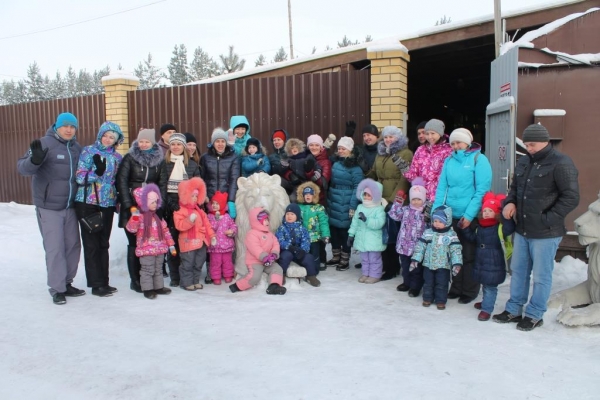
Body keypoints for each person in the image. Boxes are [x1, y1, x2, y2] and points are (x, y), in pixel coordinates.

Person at [494, 123, 580, 331]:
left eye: (532, 145)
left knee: (541, 275)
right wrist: (510, 202)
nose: (529, 149)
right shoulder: (524, 162)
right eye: (526, 145)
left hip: (546, 232)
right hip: (522, 229)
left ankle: (534, 314)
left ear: (545, 141)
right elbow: (514, 189)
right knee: (519, 271)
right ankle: (514, 309)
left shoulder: (561, 163)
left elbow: (571, 197)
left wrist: (548, 219)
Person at [17, 112, 84, 305]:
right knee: (55, 248)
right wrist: (35, 160)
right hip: (49, 207)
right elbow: (22, 168)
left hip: (70, 206)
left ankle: (67, 282)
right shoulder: (43, 144)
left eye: (72, 126)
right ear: (57, 126)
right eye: (65, 126)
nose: (69, 129)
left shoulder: (76, 148)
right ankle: (57, 288)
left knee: (72, 246)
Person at [433, 128, 492, 305]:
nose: (456, 146)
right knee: (453, 254)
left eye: (459, 142)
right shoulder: (448, 161)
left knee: (469, 255)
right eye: (452, 143)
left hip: (469, 217)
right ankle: (456, 287)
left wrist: (469, 215)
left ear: (467, 142)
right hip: (450, 216)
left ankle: (469, 290)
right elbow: (442, 187)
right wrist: (438, 212)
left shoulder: (479, 160)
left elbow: (482, 189)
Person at [74, 121, 123, 297]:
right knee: (92, 243)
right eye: (106, 135)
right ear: (100, 134)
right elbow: (80, 177)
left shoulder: (117, 158)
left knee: (104, 243)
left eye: (113, 137)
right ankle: (96, 284)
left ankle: (104, 282)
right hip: (88, 202)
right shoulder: (88, 151)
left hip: (108, 203)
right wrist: (97, 173)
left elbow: (117, 181)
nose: (108, 140)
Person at [116, 128, 165, 293]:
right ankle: (135, 280)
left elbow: (162, 183)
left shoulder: (159, 160)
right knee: (134, 244)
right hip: (133, 208)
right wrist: (129, 205)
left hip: (151, 209)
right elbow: (121, 182)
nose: (143, 144)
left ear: (152, 143)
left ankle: (152, 282)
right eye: (141, 141)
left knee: (151, 244)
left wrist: (158, 205)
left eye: (147, 141)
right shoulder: (129, 158)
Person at [367, 125, 413, 280]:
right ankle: (386, 265)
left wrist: (392, 201)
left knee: (393, 234)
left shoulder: (405, 153)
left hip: (395, 199)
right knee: (382, 233)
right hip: (379, 198)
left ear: (398, 138)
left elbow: (405, 177)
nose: (388, 140)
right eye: (386, 137)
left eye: (391, 137)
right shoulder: (380, 153)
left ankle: (393, 267)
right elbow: (374, 172)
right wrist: (367, 183)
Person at [462, 192, 516, 321]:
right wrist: (465, 228)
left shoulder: (499, 227)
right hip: (481, 260)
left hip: (494, 261)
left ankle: (487, 309)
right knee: (484, 283)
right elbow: (473, 238)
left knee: (490, 286)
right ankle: (486, 301)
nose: (486, 213)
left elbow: (509, 229)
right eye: (484, 210)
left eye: (490, 211)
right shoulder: (480, 227)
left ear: (496, 213)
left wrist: (506, 216)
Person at [159, 133, 201, 287]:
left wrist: (193, 204)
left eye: (179, 144)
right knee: (173, 243)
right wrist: (169, 204)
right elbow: (162, 185)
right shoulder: (164, 163)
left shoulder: (192, 165)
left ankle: (187, 275)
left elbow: (197, 187)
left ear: (184, 147)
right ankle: (175, 276)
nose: (176, 147)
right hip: (171, 209)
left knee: (187, 243)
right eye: (173, 144)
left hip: (188, 210)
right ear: (169, 146)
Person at [126, 184, 174, 300]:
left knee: (158, 269)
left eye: (156, 202)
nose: (155, 204)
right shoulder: (140, 217)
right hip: (146, 249)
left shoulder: (158, 218)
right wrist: (135, 217)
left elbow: (166, 231)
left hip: (159, 249)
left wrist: (171, 244)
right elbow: (131, 228)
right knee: (147, 269)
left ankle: (158, 287)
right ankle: (147, 289)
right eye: (152, 202)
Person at [411, 205, 463, 310]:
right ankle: (427, 298)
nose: (437, 224)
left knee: (442, 283)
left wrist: (457, 263)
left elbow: (455, 250)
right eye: (435, 221)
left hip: (443, 265)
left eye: (440, 221)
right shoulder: (428, 233)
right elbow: (420, 247)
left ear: (447, 222)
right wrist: (416, 259)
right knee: (428, 282)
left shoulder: (451, 235)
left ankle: (440, 300)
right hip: (428, 264)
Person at [326, 137, 364, 271]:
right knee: (334, 230)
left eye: (344, 149)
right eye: (339, 149)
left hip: (346, 201)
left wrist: (353, 206)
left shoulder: (355, 168)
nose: (341, 151)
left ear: (350, 151)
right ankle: (336, 256)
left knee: (344, 232)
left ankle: (345, 258)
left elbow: (357, 188)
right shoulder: (336, 164)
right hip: (334, 200)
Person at [229, 208, 286, 295]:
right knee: (255, 277)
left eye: (267, 219)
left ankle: (274, 286)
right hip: (255, 261)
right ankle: (238, 286)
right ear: (257, 221)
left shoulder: (270, 234)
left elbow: (276, 244)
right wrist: (264, 256)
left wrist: (274, 254)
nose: (267, 222)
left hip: (269, 261)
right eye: (264, 220)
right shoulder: (252, 233)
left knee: (277, 269)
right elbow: (254, 247)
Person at [173, 177, 216, 291]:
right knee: (188, 263)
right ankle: (186, 282)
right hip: (188, 243)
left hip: (201, 242)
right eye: (192, 196)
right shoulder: (179, 210)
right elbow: (179, 225)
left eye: (196, 196)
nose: (195, 198)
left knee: (198, 263)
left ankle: (195, 281)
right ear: (185, 196)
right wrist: (189, 221)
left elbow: (207, 225)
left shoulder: (200, 211)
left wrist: (212, 236)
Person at [388, 177, 428, 296]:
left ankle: (416, 286)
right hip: (404, 245)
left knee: (416, 268)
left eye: (418, 199)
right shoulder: (405, 210)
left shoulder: (425, 214)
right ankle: (407, 282)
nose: (416, 202)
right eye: (413, 199)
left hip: (417, 247)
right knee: (405, 267)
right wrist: (398, 202)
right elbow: (394, 215)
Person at [403, 119, 452, 208]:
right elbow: (414, 175)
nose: (429, 137)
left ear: (440, 133)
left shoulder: (448, 151)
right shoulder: (420, 150)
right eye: (427, 133)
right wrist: (405, 169)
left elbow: (449, 177)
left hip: (440, 199)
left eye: (432, 133)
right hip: (421, 199)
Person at [347, 179, 387, 283]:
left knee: (374, 259)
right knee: (364, 258)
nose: (366, 197)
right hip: (362, 239)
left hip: (374, 240)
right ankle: (366, 273)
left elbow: (379, 223)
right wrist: (351, 234)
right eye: (364, 194)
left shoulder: (379, 209)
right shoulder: (360, 207)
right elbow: (355, 222)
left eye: (368, 195)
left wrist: (367, 220)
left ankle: (375, 275)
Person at [275, 204, 321, 287]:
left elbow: (306, 240)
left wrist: (303, 250)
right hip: (287, 250)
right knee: (285, 256)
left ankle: (311, 276)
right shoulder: (282, 228)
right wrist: (289, 247)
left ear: (297, 216)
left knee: (309, 258)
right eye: (287, 214)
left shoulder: (302, 228)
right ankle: (282, 274)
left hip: (298, 252)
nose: (289, 216)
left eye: (292, 214)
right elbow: (280, 240)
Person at [296, 182, 330, 271]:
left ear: (314, 196)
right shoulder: (299, 208)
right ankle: (306, 266)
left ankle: (319, 264)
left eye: (310, 194)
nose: (308, 196)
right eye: (306, 194)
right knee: (306, 252)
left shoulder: (319, 208)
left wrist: (325, 235)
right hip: (303, 237)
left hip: (316, 237)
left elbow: (323, 222)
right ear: (302, 196)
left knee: (317, 251)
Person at [207, 191, 238, 285]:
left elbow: (234, 226)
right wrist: (216, 220)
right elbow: (210, 228)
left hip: (226, 245)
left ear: (222, 204)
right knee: (215, 262)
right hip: (215, 246)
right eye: (213, 203)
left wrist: (232, 231)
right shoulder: (210, 216)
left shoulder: (227, 216)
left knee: (227, 261)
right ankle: (216, 277)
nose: (215, 206)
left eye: (217, 203)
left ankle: (228, 275)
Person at [281, 138, 319, 202]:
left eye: (296, 147)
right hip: (293, 182)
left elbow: (316, 165)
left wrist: (317, 172)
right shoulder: (289, 159)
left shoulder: (307, 156)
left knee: (293, 198)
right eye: (292, 148)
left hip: (304, 182)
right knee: (278, 180)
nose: (294, 149)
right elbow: (284, 170)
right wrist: (287, 171)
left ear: (299, 148)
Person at [306, 134, 332, 206]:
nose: (314, 147)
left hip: (318, 200)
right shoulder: (303, 158)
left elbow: (323, 183)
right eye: (311, 145)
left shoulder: (326, 162)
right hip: (304, 197)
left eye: (317, 145)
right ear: (308, 147)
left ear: (321, 147)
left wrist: (310, 174)